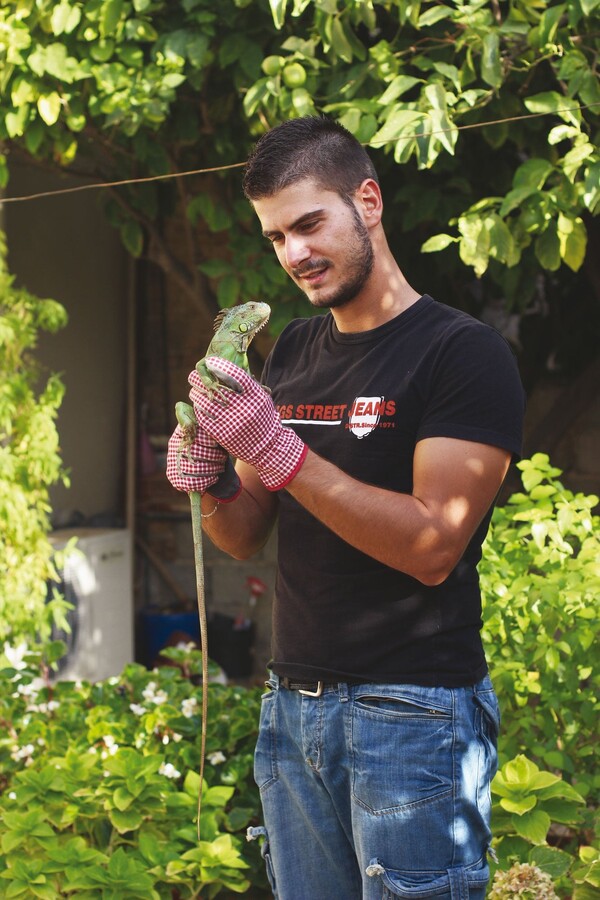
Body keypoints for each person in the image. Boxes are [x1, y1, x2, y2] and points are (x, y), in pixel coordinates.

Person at [166, 116, 525, 900]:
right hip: (293, 708)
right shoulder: (292, 351)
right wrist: (214, 480)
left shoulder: (461, 353)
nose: (294, 254)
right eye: (275, 238)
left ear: (368, 201)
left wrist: (281, 452)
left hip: (413, 715)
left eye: (308, 224)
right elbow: (245, 534)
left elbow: (434, 545)